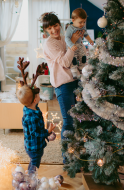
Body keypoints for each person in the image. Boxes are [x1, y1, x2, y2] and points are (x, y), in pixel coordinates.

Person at [42, 12, 81, 161]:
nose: (54, 30)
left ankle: (76, 153)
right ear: (46, 30)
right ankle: (67, 158)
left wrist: (72, 43)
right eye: (50, 28)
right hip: (62, 85)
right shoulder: (49, 44)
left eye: (55, 26)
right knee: (68, 121)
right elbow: (65, 62)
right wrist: (72, 45)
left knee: (78, 119)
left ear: (59, 24)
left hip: (74, 81)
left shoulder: (64, 38)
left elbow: (72, 58)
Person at [16, 58, 56, 171]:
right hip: (34, 147)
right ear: (34, 100)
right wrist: (47, 132)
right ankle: (31, 180)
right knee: (35, 163)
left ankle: (30, 176)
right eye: (37, 94)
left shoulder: (31, 109)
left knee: (33, 162)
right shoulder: (31, 117)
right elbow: (36, 134)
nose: (39, 95)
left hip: (33, 145)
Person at [65, 8, 94, 79]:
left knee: (83, 57)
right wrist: (71, 45)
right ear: (73, 20)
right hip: (72, 46)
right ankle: (74, 71)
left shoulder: (82, 27)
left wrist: (90, 40)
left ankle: (82, 68)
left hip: (80, 45)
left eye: (84, 22)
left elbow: (85, 34)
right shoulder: (70, 28)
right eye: (80, 22)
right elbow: (66, 38)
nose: (82, 24)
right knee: (73, 59)